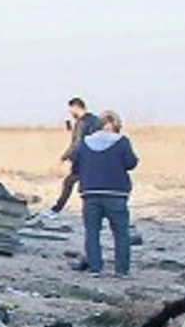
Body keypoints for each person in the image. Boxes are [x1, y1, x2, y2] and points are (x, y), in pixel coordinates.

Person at [73, 109, 139, 274]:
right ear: (117, 126)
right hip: (116, 193)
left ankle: (95, 267)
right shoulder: (122, 141)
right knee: (121, 233)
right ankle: (121, 270)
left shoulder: (85, 143)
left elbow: (76, 167)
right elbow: (131, 163)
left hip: (90, 192)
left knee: (92, 232)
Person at [50, 97, 94, 213]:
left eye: (71, 110)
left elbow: (77, 143)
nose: (70, 113)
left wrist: (64, 157)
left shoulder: (81, 122)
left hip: (82, 159)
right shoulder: (94, 119)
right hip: (95, 158)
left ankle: (56, 209)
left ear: (76, 107)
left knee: (69, 182)